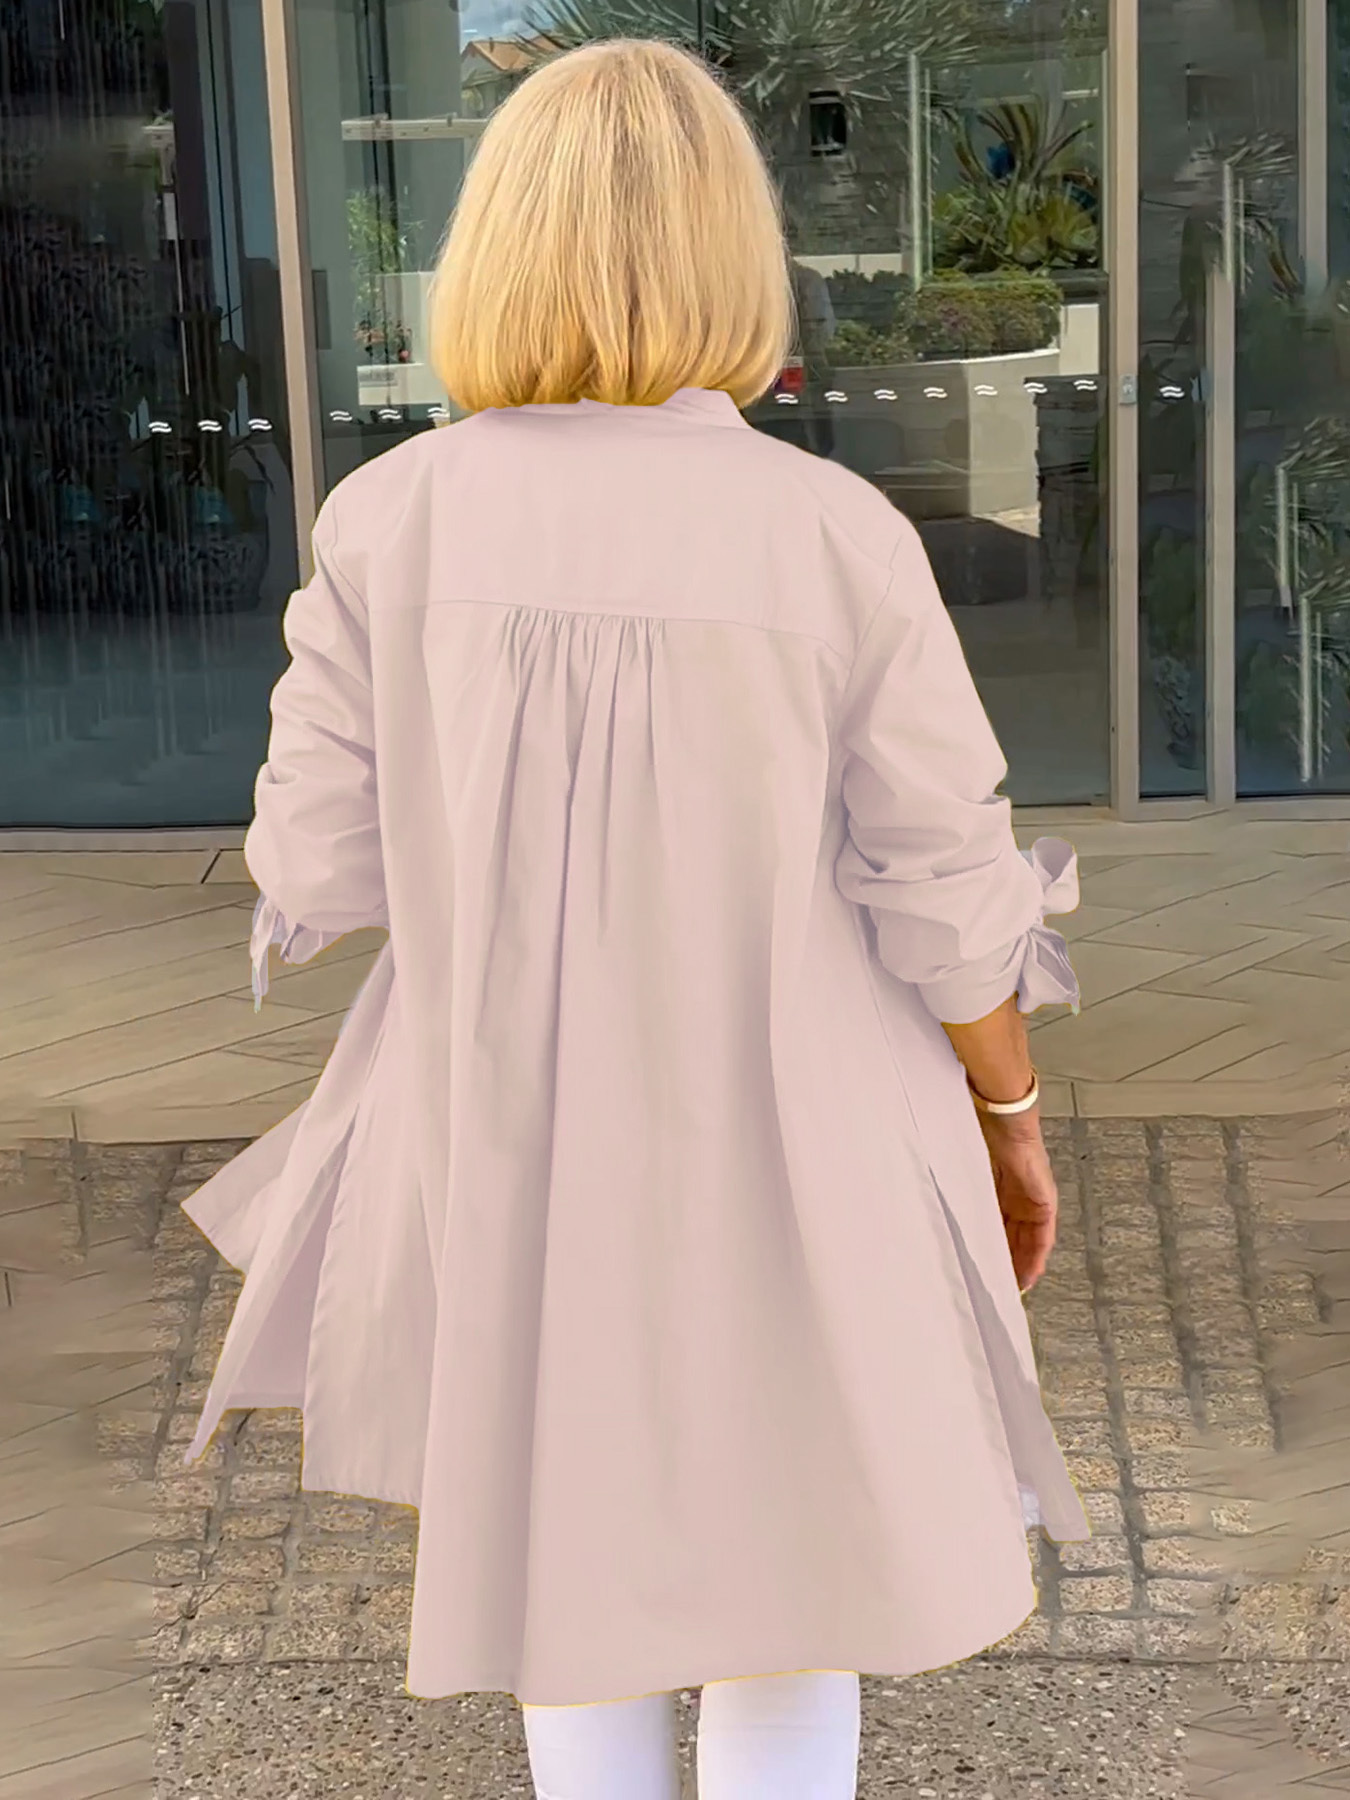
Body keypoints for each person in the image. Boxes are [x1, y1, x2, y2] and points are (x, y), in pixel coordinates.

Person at [177, 36, 1090, 1800]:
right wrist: (1011, 1113)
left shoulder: (385, 521)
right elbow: (942, 892)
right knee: (797, 1591)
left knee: (565, 1583)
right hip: (800, 1131)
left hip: (504, 1138)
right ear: (734, 255)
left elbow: (317, 871)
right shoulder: (829, 533)